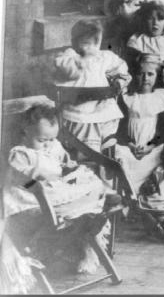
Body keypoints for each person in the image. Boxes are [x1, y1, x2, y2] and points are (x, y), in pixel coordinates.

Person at [3, 104, 121, 275]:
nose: (48, 145)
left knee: (85, 175)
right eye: (42, 141)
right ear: (25, 131)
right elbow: (17, 178)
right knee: (55, 192)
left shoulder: (53, 145)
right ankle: (82, 205)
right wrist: (38, 183)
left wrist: (71, 169)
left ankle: (90, 201)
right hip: (30, 196)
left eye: (51, 139)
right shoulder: (20, 154)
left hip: (55, 186)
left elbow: (65, 162)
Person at [53, 20, 131, 152]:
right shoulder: (70, 56)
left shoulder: (103, 57)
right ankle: (91, 149)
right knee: (86, 129)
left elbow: (120, 66)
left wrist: (119, 80)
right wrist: (79, 63)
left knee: (108, 115)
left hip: (101, 104)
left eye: (95, 43)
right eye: (85, 43)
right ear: (74, 42)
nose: (91, 48)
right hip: (78, 108)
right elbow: (64, 67)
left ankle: (106, 139)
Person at [114, 54, 164, 193]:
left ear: (157, 76)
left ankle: (151, 189)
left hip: (153, 147)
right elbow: (120, 128)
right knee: (119, 153)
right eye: (141, 74)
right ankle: (129, 193)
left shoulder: (162, 98)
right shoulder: (127, 98)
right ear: (134, 76)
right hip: (130, 146)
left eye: (150, 74)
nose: (145, 78)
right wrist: (131, 145)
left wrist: (150, 146)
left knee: (162, 156)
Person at [125, 1, 164, 88]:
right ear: (144, 20)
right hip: (145, 87)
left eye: (160, 19)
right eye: (150, 18)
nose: (155, 23)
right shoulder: (137, 40)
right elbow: (132, 70)